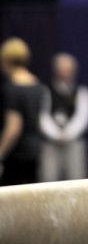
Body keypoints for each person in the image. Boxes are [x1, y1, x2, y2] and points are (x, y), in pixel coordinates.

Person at [39, 52, 88, 181]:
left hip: (73, 142)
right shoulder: (45, 90)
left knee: (77, 179)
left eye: (68, 70)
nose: (65, 73)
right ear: (55, 70)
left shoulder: (81, 91)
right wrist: (55, 134)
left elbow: (83, 117)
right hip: (50, 142)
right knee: (48, 179)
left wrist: (68, 134)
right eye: (62, 70)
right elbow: (42, 116)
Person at [0, 37, 46, 184]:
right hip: (36, 150)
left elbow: (13, 127)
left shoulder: (12, 88)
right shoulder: (38, 85)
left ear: (6, 61)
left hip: (17, 154)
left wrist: (0, 152)